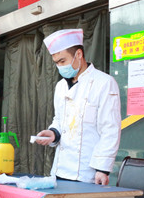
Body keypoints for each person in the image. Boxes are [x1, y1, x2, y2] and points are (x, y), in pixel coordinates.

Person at [35, 29, 121, 185]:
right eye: (56, 63)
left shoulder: (104, 83)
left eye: (63, 61)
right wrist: (53, 133)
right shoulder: (60, 86)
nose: (60, 67)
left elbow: (110, 129)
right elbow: (59, 119)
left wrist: (102, 169)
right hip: (60, 169)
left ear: (79, 54)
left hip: (87, 173)